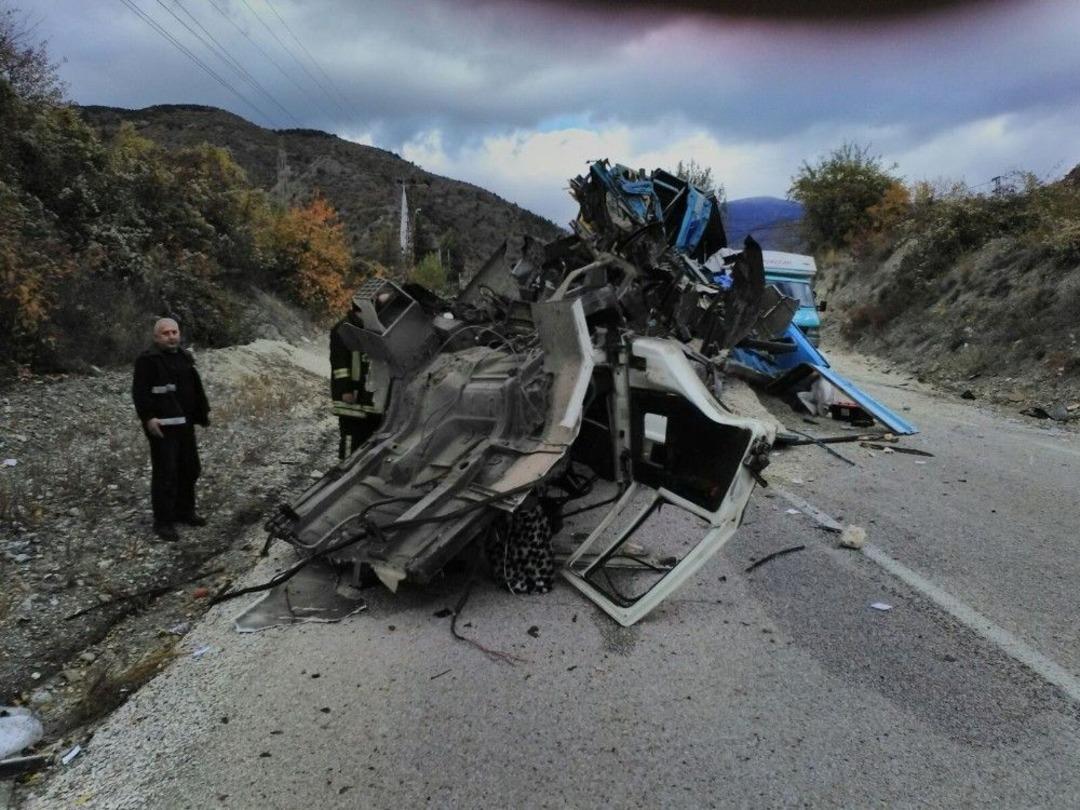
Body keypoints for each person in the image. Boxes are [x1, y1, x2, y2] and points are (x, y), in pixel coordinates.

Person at [131, 318, 210, 541]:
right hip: (163, 428)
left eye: (174, 332)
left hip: (184, 425)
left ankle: (185, 512)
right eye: (166, 333)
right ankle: (163, 521)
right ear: (157, 337)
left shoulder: (184, 357)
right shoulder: (148, 361)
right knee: (166, 473)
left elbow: (195, 388)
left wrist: (201, 413)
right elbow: (140, 393)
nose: (172, 336)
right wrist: (148, 419)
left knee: (190, 468)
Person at [330, 304, 380, 459]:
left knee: (368, 438)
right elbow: (340, 363)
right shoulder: (343, 329)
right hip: (350, 399)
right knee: (350, 439)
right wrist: (346, 390)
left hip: (367, 398)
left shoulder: (367, 327)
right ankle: (344, 470)